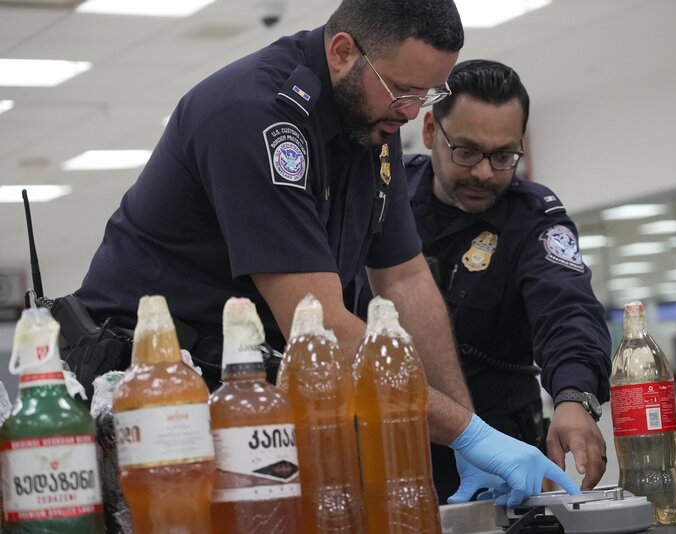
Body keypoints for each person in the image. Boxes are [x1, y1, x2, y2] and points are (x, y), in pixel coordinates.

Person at [71, 0, 579, 507]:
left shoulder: (371, 120)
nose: (411, 112)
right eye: (402, 91)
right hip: (150, 398)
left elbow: (403, 279)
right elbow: (318, 324)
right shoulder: (255, 116)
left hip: (246, 391)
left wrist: (469, 436)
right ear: (342, 53)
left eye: (427, 94)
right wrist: (471, 434)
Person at [349, 59, 612, 503]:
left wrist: (573, 397)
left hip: (501, 453)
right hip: (381, 443)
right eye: (467, 152)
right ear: (430, 130)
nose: (485, 173)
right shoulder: (380, 194)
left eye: (503, 156)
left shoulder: (533, 218)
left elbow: (568, 311)